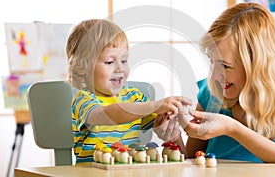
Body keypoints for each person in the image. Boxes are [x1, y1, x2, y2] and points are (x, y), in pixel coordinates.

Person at [177, 2, 275, 165]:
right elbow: (192, 159)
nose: (214, 76)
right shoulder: (212, 94)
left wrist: (234, 129)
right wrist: (174, 137)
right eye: (212, 62)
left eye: (225, 66)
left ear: (258, 66)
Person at [66, 19, 192, 165]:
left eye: (124, 60)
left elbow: (160, 122)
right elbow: (106, 114)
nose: (120, 69)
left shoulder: (134, 97)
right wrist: (154, 105)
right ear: (83, 67)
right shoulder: (84, 99)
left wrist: (170, 125)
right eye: (109, 62)